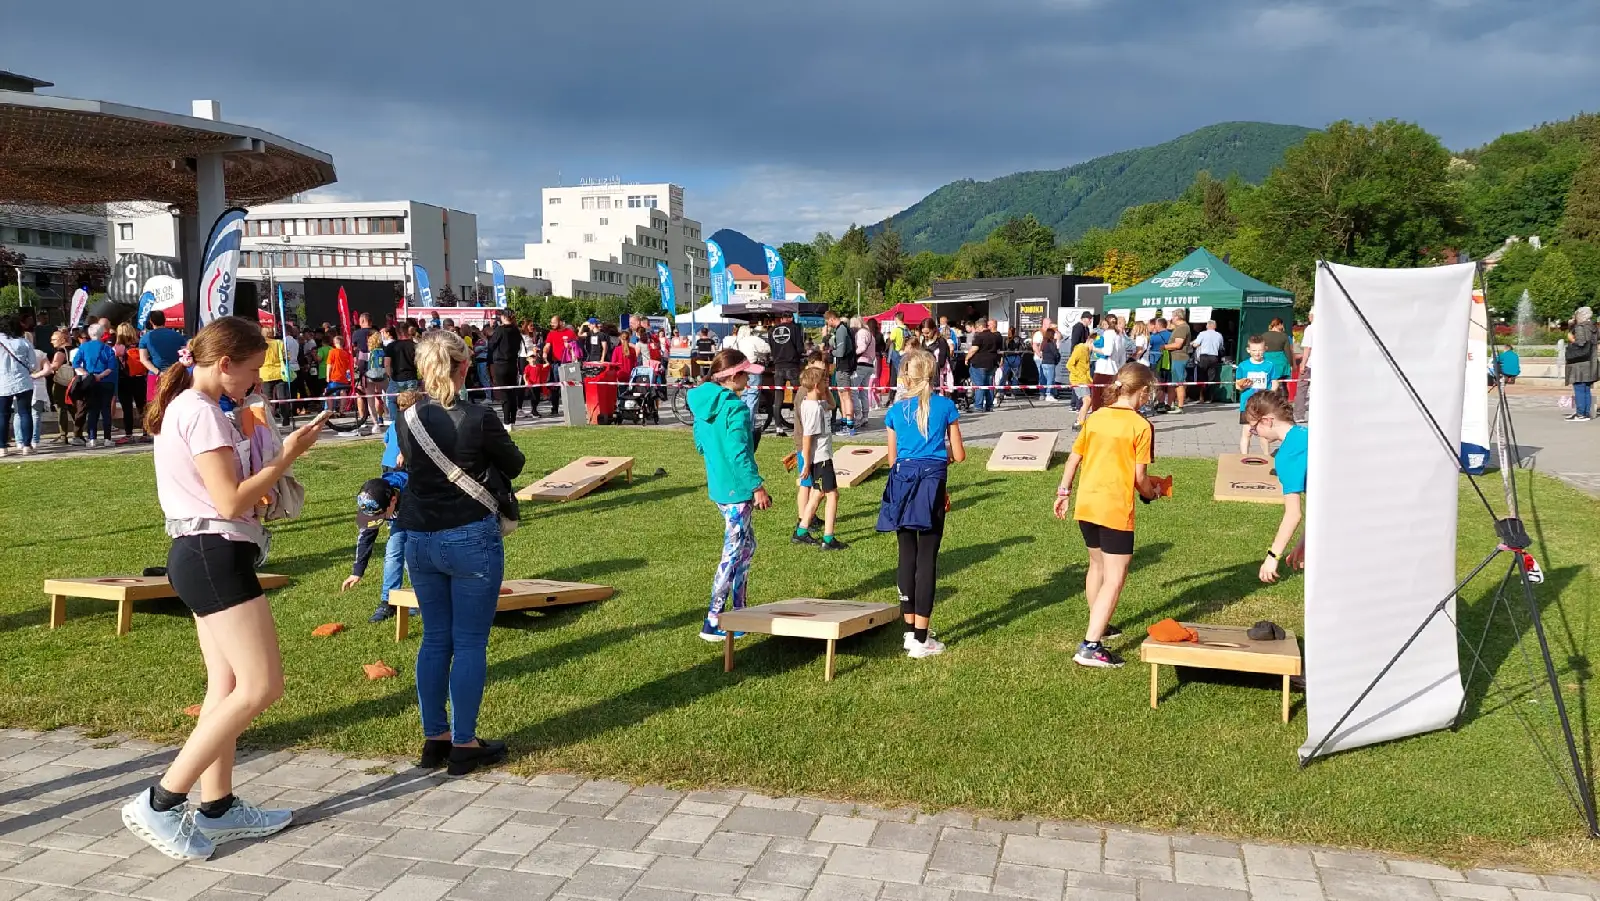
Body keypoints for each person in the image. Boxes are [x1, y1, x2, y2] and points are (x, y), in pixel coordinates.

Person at [121, 316, 325, 861]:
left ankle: (219, 806)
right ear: (223, 363)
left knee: (226, 683)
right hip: (213, 553)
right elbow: (231, 502)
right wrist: (288, 456)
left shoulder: (191, 409)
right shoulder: (202, 414)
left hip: (203, 553)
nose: (255, 382)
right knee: (261, 686)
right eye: (252, 370)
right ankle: (161, 801)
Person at [395, 329, 526, 776]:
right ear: (464, 366)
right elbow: (515, 463)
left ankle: (436, 737)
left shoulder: (407, 417)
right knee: (470, 642)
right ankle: (465, 742)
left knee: (435, 639)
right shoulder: (479, 416)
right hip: (469, 533)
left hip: (419, 535)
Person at [1053, 361, 1163, 669]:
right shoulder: (1141, 426)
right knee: (1116, 577)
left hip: (1087, 503)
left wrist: (1063, 493)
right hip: (1115, 507)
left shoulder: (1096, 416)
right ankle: (1091, 645)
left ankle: (1099, 624)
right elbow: (1140, 476)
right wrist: (1149, 492)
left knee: (1097, 565)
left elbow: (1073, 459)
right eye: (1148, 393)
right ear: (1142, 391)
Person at [877, 349, 965, 659]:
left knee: (907, 555)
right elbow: (960, 453)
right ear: (935, 374)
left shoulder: (895, 412)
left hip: (901, 481)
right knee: (927, 558)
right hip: (931, 483)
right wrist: (942, 460)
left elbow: (891, 458)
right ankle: (922, 638)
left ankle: (910, 631)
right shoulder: (946, 407)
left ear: (906, 378)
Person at [687, 349, 772, 642]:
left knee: (747, 546)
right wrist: (756, 486)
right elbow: (739, 452)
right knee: (733, 551)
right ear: (733, 376)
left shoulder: (703, 403)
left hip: (720, 486)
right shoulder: (734, 408)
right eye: (745, 374)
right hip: (736, 489)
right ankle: (713, 620)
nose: (749, 379)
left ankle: (740, 611)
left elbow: (700, 444)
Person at [1245, 391, 1308, 582]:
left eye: (1254, 429)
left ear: (1267, 421)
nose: (1254, 434)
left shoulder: (1287, 455)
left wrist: (1272, 557)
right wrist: (1305, 542)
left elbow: (1293, 514)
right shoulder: (1305, 434)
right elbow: (1322, 500)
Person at [342, 471, 411, 623]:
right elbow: (366, 537)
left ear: (393, 500)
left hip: (426, 517)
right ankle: (389, 602)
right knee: (393, 551)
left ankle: (423, 598)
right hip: (401, 518)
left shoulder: (414, 491)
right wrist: (357, 571)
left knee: (412, 556)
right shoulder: (371, 501)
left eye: (381, 515)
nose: (379, 520)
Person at [793, 366, 846, 551]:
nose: (827, 384)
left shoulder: (813, 403)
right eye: (825, 382)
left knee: (818, 493)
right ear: (816, 385)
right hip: (820, 458)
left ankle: (801, 532)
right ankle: (828, 538)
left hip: (821, 457)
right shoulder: (814, 409)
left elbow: (832, 405)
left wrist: (827, 390)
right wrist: (806, 463)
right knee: (833, 495)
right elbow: (807, 438)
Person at [1233, 335, 1290, 455]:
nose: (1257, 353)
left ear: (1265, 349)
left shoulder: (1270, 365)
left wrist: (1270, 394)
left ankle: (1266, 457)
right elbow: (1238, 386)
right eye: (1254, 350)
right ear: (1248, 350)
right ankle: (1244, 457)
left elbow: (1274, 383)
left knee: (1264, 433)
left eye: (1259, 350)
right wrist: (1243, 385)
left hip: (1264, 403)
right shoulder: (1243, 366)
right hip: (1248, 403)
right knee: (1247, 431)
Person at [72, 322, 118, 448]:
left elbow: (76, 363)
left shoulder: (83, 347)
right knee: (106, 410)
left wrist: (87, 374)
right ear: (102, 334)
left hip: (90, 382)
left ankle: (92, 438)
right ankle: (107, 438)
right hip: (106, 382)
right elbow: (111, 367)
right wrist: (100, 376)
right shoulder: (107, 349)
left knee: (92, 410)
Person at [0, 315, 39, 457]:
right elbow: (34, 365)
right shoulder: (24, 342)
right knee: (25, 413)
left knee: (3, 416)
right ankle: (26, 446)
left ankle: (2, 447)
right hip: (23, 381)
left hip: (2, 382)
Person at [138, 310, 188, 402]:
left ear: (151, 321)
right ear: (164, 320)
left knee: (154, 406)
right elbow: (185, 356)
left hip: (155, 375)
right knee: (175, 403)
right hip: (175, 375)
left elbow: (143, 359)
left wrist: (158, 372)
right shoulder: (178, 336)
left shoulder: (145, 338)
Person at [487, 310, 523, 425]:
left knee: (504, 393)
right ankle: (513, 420)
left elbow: (491, 345)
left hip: (500, 364)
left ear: (503, 317)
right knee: (512, 392)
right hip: (512, 364)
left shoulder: (500, 330)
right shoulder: (516, 330)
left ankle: (507, 421)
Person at [825, 311, 857, 435]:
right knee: (842, 396)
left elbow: (841, 352)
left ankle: (849, 426)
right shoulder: (841, 329)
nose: (828, 324)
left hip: (844, 367)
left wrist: (830, 352)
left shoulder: (841, 330)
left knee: (846, 396)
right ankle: (845, 423)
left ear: (832, 319)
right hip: (841, 367)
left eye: (828, 321)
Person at [1565, 307, 1596, 422]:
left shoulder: (1581, 327)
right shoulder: (1593, 327)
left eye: (1576, 314)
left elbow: (1581, 344)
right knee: (1586, 388)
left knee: (1579, 387)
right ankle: (1585, 413)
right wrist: (1572, 326)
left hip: (1580, 363)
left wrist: (1571, 339)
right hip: (1590, 362)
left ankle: (1580, 414)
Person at [1089, 315, 1125, 412]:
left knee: (1098, 399)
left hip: (1103, 370)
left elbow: (1107, 351)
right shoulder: (1120, 336)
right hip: (1115, 370)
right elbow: (1123, 356)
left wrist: (1094, 348)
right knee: (1111, 399)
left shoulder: (1108, 333)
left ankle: (1097, 420)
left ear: (1106, 323)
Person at [966, 319, 1002, 413]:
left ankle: (978, 406)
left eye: (977, 327)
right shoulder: (995, 336)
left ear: (981, 326)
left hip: (979, 363)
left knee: (979, 385)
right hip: (992, 363)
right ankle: (989, 406)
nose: (976, 329)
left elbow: (974, 349)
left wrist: (967, 358)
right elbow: (999, 350)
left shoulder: (979, 336)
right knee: (989, 385)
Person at [257, 325, 289, 431]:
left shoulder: (260, 345)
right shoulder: (279, 343)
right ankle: (285, 418)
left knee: (268, 399)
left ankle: (269, 420)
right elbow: (287, 357)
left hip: (265, 374)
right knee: (282, 398)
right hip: (280, 372)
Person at [387, 325, 420, 424]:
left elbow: (387, 364)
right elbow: (420, 363)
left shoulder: (391, 346)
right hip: (411, 377)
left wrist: (390, 377)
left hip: (396, 378)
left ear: (397, 333)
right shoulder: (415, 346)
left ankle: (394, 422)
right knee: (412, 401)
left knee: (391, 399)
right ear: (407, 332)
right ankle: (412, 422)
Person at [1164, 311, 1193, 413]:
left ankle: (1180, 406)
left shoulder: (1182, 328)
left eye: (1172, 317)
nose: (1171, 319)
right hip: (1175, 357)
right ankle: (1169, 404)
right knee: (1173, 382)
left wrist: (1164, 347)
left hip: (1179, 357)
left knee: (1179, 382)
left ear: (1177, 317)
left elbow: (1178, 344)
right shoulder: (1180, 327)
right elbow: (1169, 326)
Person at [1191, 320, 1226, 403]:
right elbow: (1221, 347)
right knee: (1211, 378)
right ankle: (1209, 398)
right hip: (1214, 357)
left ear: (1207, 326)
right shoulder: (1219, 335)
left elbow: (1195, 344)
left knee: (1202, 377)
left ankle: (1201, 397)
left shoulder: (1202, 334)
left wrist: (1192, 344)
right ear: (1215, 326)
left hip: (1204, 357)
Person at [854, 317, 879, 424]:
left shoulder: (861, 333)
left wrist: (852, 354)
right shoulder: (871, 335)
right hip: (869, 364)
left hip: (861, 364)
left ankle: (858, 415)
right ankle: (865, 415)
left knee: (853, 391)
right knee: (863, 392)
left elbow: (862, 347)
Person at [363, 331, 390, 433]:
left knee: (370, 401)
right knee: (390, 395)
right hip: (382, 376)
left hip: (369, 377)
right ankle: (389, 416)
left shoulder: (366, 352)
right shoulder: (384, 350)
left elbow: (361, 365)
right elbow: (387, 365)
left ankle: (375, 424)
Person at [1146, 317, 1172, 413]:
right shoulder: (1172, 335)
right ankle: (1169, 403)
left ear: (1158, 325)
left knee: (1159, 383)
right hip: (1168, 362)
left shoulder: (1154, 337)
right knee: (1168, 383)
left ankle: (1161, 403)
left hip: (1155, 362)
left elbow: (1148, 347)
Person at [1292, 311, 1314, 423]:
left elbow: (1307, 349)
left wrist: (1302, 364)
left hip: (1311, 363)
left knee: (1302, 388)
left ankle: (1299, 415)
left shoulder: (1310, 329)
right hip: (1323, 364)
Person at [1068, 336, 1093, 429]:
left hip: (1083, 380)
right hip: (1078, 380)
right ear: (1090, 342)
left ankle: (1079, 420)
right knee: (1087, 400)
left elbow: (1086, 368)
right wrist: (1079, 375)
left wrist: (1090, 380)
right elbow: (1069, 364)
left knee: (1088, 401)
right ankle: (1080, 422)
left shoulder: (1087, 351)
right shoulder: (1080, 349)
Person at [325, 336, 354, 413]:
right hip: (343, 376)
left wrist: (327, 376)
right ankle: (342, 411)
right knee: (343, 392)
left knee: (329, 393)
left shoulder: (332, 352)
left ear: (334, 343)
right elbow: (348, 367)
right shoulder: (346, 353)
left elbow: (329, 365)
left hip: (334, 376)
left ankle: (330, 411)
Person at [1037, 325, 1062, 401]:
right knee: (1050, 379)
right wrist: (1058, 353)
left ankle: (1044, 393)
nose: (1055, 335)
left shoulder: (1044, 342)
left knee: (1045, 379)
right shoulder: (1050, 343)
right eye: (1054, 334)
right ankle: (1049, 394)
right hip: (1050, 363)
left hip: (1044, 363)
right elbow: (1055, 353)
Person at [999, 329, 1025, 400]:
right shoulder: (1018, 339)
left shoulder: (1005, 339)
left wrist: (1002, 360)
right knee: (1015, 376)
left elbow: (1003, 350)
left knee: (1005, 375)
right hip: (1016, 358)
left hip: (1007, 358)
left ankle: (1001, 391)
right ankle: (1014, 392)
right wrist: (1020, 355)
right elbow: (1023, 348)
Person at [886, 312, 909, 384]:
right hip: (905, 354)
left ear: (896, 318)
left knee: (895, 376)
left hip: (897, 354)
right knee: (904, 373)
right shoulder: (907, 329)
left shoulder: (896, 330)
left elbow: (890, 341)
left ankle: (895, 392)